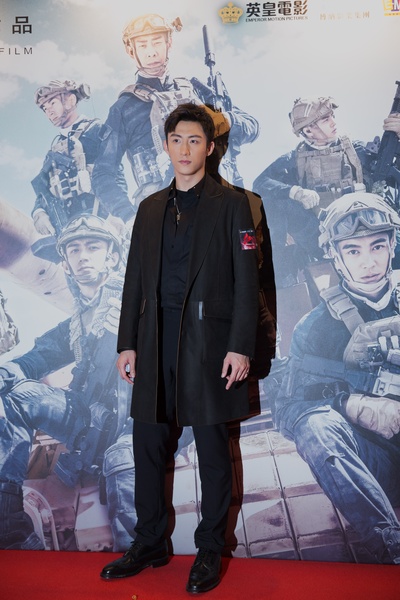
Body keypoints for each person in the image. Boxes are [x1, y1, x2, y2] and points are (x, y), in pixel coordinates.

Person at [100, 103, 259, 593]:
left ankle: (210, 547)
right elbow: (133, 281)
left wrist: (240, 346)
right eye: (176, 140)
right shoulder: (149, 208)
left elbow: (247, 282)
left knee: (212, 447)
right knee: (147, 444)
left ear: (209, 147)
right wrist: (127, 343)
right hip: (154, 341)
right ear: (165, 145)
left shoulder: (235, 204)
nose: (184, 149)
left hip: (210, 343)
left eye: (194, 140)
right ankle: (149, 541)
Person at [275, 191, 400, 564]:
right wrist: (351, 405)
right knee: (316, 428)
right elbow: (287, 409)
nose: (368, 262)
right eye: (353, 251)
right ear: (336, 256)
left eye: (377, 246)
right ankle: (390, 548)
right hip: (377, 462)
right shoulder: (315, 327)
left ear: (392, 246)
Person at [0, 215, 136, 551]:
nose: (83, 256)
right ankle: (11, 528)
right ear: (65, 262)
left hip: (140, 421)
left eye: (93, 247)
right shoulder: (76, 323)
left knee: (121, 460)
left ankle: (138, 561)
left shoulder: (141, 302)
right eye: (74, 250)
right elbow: (33, 361)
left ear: (112, 257)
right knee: (17, 395)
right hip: (89, 419)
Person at [91, 13, 259, 214]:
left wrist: (225, 121)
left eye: (157, 42)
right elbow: (103, 174)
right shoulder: (124, 108)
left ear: (169, 43)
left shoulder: (198, 92)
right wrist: (128, 217)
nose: (151, 52)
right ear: (131, 51)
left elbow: (252, 127)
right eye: (142, 45)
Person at [252, 96, 400, 288]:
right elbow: (260, 183)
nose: (333, 122)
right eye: (325, 119)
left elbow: (391, 168)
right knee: (275, 201)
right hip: (321, 238)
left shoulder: (356, 151)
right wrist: (295, 192)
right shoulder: (294, 160)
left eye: (332, 116)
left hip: (367, 230)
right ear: (308, 130)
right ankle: (279, 276)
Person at [31, 80, 129, 257]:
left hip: (101, 220)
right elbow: (44, 189)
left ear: (70, 100)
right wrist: (39, 212)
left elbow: (116, 175)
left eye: (52, 103)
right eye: (45, 108)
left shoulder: (98, 131)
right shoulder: (53, 151)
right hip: (69, 230)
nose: (49, 111)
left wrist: (118, 213)